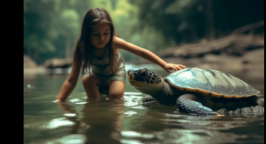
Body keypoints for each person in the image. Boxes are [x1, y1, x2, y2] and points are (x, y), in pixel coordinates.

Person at [54, 8, 185, 102]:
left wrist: (164, 64)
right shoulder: (81, 48)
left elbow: (140, 51)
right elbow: (72, 79)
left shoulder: (114, 42)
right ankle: (95, 110)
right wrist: (60, 100)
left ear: (111, 31)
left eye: (106, 33)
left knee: (115, 98)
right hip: (96, 75)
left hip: (115, 74)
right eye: (96, 34)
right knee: (87, 81)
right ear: (87, 33)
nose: (102, 38)